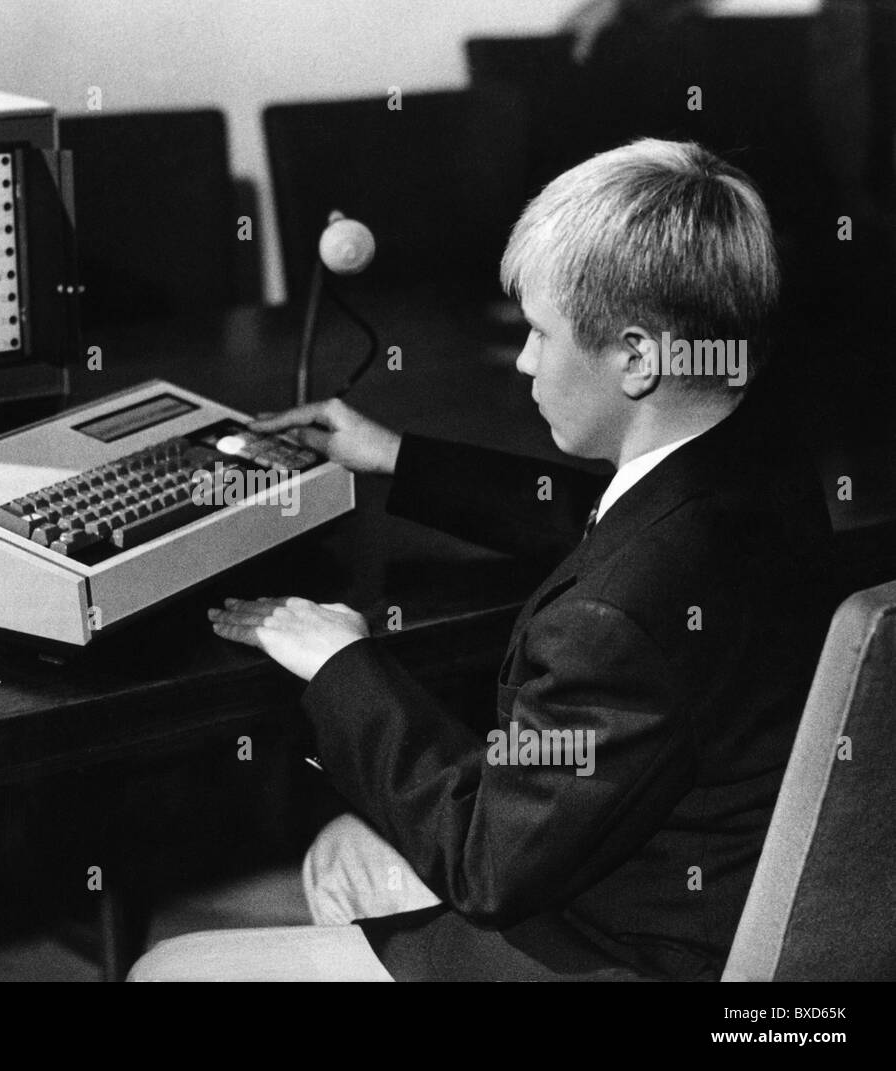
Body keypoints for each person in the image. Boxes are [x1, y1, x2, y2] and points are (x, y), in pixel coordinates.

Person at [128, 138, 838, 982]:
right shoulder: (761, 461)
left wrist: (341, 662)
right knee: (339, 858)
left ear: (641, 357)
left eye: (540, 333)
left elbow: (486, 863)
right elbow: (609, 523)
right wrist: (398, 456)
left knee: (167, 971)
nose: (526, 361)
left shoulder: (612, 623)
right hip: (724, 892)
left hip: (624, 954)